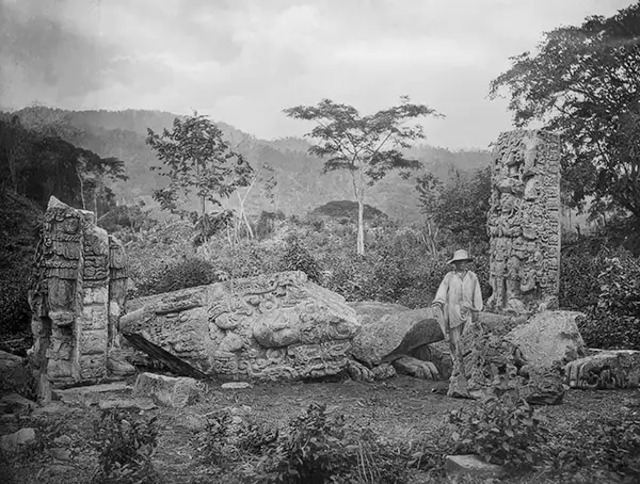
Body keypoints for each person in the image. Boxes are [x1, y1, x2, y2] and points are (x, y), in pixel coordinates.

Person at [432, 249, 483, 397]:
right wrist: (439, 303)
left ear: (467, 263)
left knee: (467, 341)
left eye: (464, 262)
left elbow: (477, 295)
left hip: (467, 312)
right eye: (458, 262)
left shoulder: (472, 277)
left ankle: (466, 373)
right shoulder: (449, 277)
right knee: (455, 342)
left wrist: (476, 310)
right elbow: (441, 293)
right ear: (454, 264)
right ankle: (456, 373)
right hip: (453, 312)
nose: (461, 264)